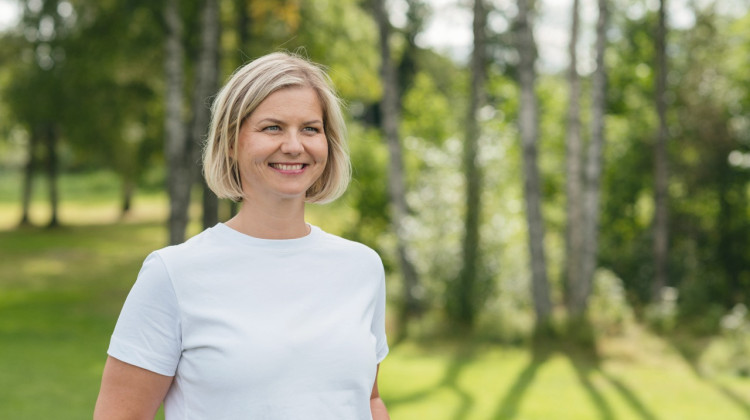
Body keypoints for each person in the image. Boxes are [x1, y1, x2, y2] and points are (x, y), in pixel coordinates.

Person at [94, 52, 391, 420]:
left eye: (310, 129)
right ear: (231, 141)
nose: (294, 145)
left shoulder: (362, 267)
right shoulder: (172, 274)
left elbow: (368, 399)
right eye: (273, 127)